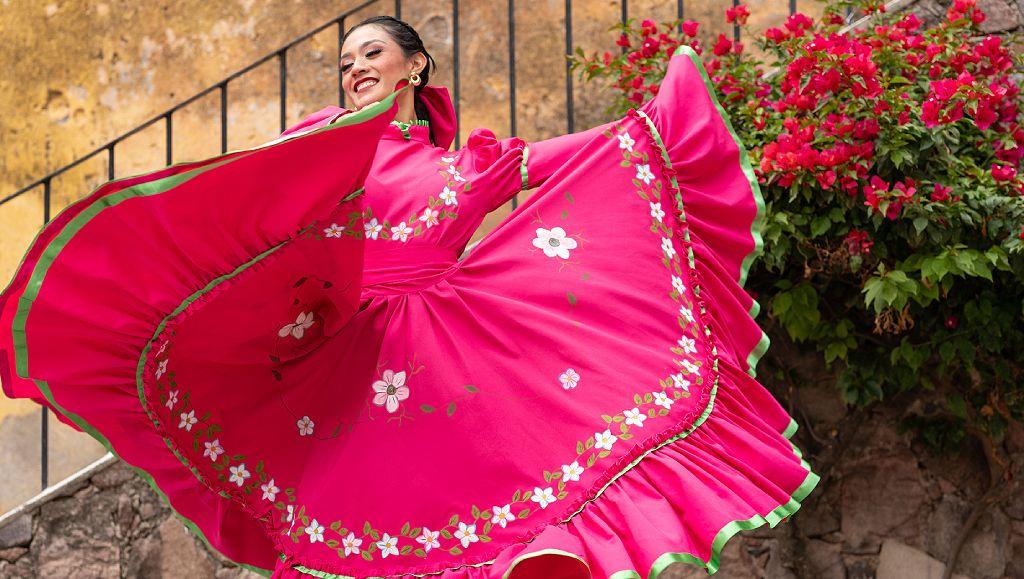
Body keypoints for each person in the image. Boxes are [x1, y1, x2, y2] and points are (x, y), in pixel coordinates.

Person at [0, 15, 819, 579]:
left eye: (370, 53)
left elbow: (552, 162)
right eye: (346, 59)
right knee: (360, 518)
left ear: (414, 66)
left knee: (497, 503)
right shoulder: (319, 149)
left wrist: (649, 126)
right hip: (348, 361)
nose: (355, 67)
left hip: (447, 350)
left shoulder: (456, 166)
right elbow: (253, 215)